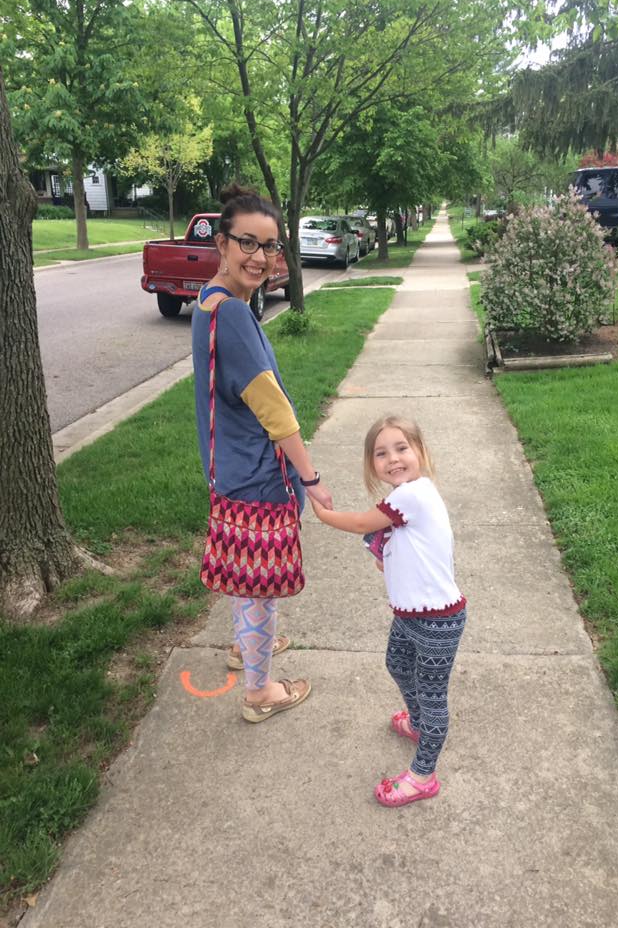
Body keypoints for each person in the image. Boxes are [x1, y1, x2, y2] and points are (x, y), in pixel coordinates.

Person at [191, 183, 333, 723]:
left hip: (228, 467)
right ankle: (260, 692)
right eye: (246, 243)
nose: (260, 257)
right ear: (222, 243)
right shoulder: (232, 314)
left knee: (243, 569)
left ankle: (244, 646)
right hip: (257, 475)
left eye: (270, 246)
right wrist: (311, 478)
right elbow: (274, 411)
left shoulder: (209, 300)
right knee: (260, 588)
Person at [309, 416, 466, 807]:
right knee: (396, 664)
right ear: (372, 463)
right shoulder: (405, 502)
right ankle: (417, 723)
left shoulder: (412, 494)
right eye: (381, 453)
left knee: (432, 696)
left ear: (420, 452)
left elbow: (363, 522)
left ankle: (423, 776)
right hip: (410, 615)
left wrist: (324, 516)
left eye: (401, 448)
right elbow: (395, 547)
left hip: (437, 621)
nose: (393, 459)